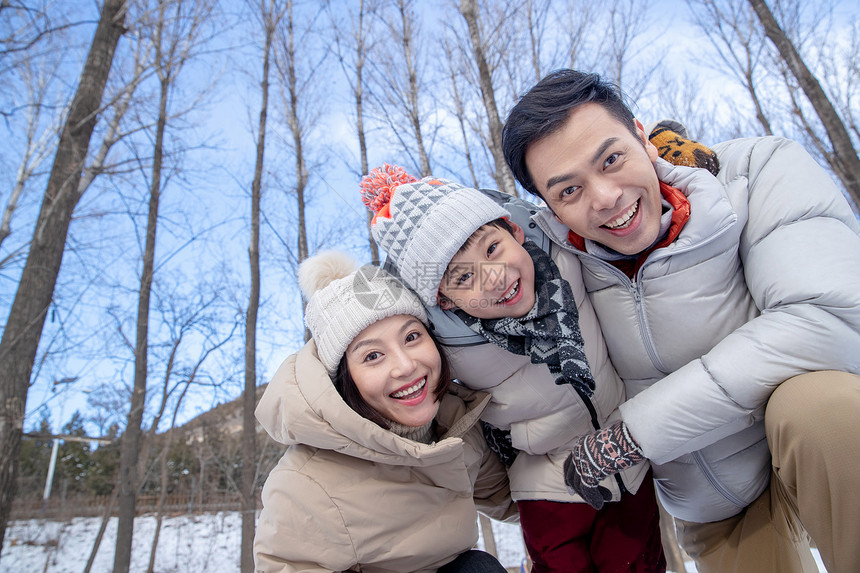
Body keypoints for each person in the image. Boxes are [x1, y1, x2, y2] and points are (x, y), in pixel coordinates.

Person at [501, 68, 860, 573]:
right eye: (568, 191)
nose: (604, 197)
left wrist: (634, 432)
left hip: (818, 450)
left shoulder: (753, 173)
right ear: (551, 208)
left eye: (611, 159)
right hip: (714, 508)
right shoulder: (553, 270)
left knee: (820, 408)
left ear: (644, 139)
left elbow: (831, 318)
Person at [360, 165, 666, 572]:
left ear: (514, 231)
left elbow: (612, 195)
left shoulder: (565, 255)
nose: (495, 278)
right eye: (464, 277)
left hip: (624, 456)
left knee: (637, 563)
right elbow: (376, 350)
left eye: (492, 249)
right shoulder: (448, 344)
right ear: (446, 302)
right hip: (547, 485)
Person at [253, 251, 516, 573]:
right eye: (373, 356)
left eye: (411, 337)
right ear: (344, 379)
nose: (405, 366)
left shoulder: (455, 427)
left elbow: (513, 498)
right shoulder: (305, 486)